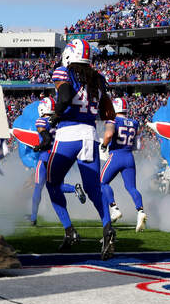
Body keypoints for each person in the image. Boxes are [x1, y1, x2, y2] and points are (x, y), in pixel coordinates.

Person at [35, 39, 117, 258]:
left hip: (68, 134)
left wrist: (54, 118)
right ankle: (107, 227)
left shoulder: (63, 72)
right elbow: (108, 112)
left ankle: (69, 230)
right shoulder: (98, 79)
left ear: (69, 55)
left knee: (52, 183)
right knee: (93, 189)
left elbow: (63, 97)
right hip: (90, 135)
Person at [28, 97, 85, 226]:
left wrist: (38, 147)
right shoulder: (60, 121)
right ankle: (74, 189)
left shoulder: (41, 121)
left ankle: (33, 217)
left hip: (45, 157)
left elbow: (46, 140)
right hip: (59, 156)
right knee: (57, 186)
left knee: (38, 187)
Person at [100, 97, 148, 231]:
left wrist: (104, 145)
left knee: (102, 183)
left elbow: (109, 134)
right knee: (132, 188)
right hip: (129, 157)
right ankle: (140, 211)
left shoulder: (113, 120)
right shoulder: (134, 122)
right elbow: (137, 145)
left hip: (116, 155)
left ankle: (114, 208)